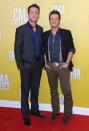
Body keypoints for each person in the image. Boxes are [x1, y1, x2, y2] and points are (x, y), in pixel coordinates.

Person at [14, 4, 45, 126]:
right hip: (26, 66)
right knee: (25, 91)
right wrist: (21, 65)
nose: (34, 14)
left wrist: (42, 62)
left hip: (38, 65)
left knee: (35, 90)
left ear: (38, 14)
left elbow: (41, 47)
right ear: (28, 14)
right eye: (32, 12)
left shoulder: (40, 29)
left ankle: (35, 110)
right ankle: (26, 115)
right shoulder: (20, 29)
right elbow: (17, 49)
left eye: (36, 12)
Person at [43, 10, 76, 123]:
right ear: (49, 21)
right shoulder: (45, 34)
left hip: (63, 66)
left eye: (56, 19)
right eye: (51, 19)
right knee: (53, 90)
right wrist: (45, 63)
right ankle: (55, 111)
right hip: (50, 67)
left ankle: (67, 113)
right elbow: (43, 50)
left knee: (66, 91)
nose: (54, 21)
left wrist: (67, 63)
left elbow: (72, 49)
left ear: (59, 20)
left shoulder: (66, 33)